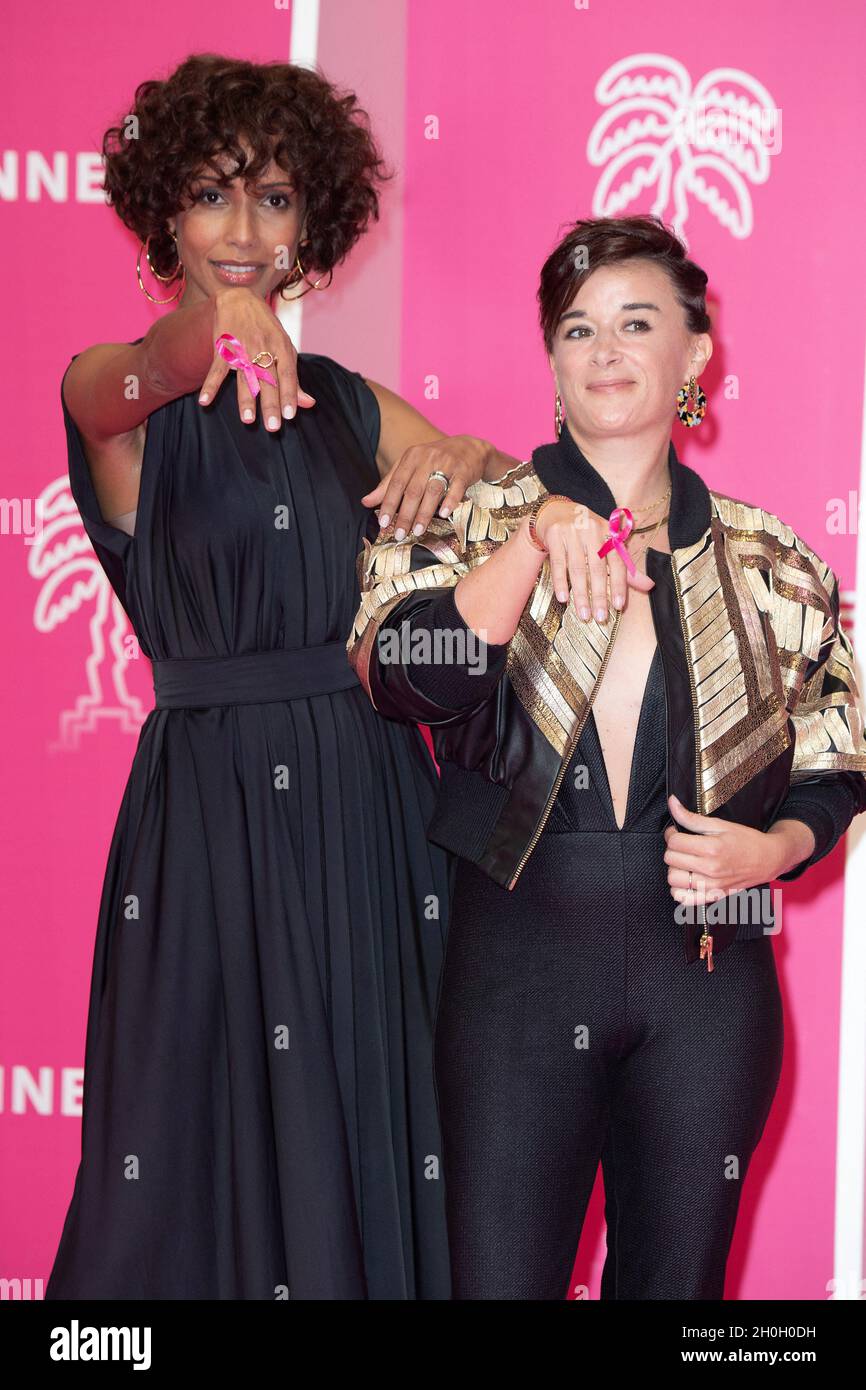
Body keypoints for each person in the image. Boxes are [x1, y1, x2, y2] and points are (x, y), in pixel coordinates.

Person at [44, 53, 521, 1301]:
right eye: (211, 196)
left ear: (313, 221)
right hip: (204, 819)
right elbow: (107, 386)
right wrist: (209, 329)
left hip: (372, 810)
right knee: (179, 1140)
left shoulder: (352, 409)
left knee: (374, 1118)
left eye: (272, 199)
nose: (243, 231)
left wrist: (464, 453)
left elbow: (512, 497)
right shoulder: (126, 397)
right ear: (166, 217)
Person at [347, 214, 866, 1300]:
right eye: (576, 330)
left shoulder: (776, 558)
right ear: (550, 362)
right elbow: (401, 675)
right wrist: (531, 539)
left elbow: (835, 762)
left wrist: (763, 851)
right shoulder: (464, 517)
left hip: (709, 985)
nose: (604, 350)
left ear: (695, 351)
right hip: (513, 968)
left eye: (637, 323)